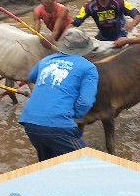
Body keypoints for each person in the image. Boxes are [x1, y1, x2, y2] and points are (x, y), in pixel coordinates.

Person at [19, 27, 99, 161]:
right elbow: (85, 102)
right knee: (87, 163)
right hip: (59, 125)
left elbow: (32, 77)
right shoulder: (89, 68)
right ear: (86, 49)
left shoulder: (45, 60)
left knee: (49, 164)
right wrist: (73, 114)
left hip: (29, 122)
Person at [73, 0, 140, 42]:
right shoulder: (89, 6)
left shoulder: (120, 2)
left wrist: (132, 24)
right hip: (102, 36)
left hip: (120, 36)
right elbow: (74, 23)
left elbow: (138, 15)